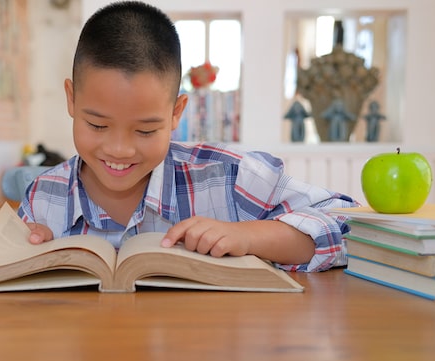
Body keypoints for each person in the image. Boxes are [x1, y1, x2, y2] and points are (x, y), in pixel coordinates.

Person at [18, 1, 358, 272]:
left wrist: (249, 235)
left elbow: (351, 226)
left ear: (176, 112)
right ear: (72, 100)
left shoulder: (228, 178)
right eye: (97, 126)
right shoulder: (42, 199)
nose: (119, 149)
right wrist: (26, 258)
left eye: (146, 130)